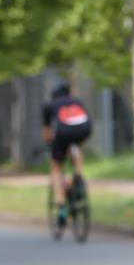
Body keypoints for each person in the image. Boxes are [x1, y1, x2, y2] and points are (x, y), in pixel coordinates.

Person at [41, 82, 92, 226]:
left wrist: (51, 144)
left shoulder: (49, 105)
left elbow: (47, 133)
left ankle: (62, 208)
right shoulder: (77, 101)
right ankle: (78, 177)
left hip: (63, 133)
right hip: (84, 130)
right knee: (76, 148)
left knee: (56, 167)